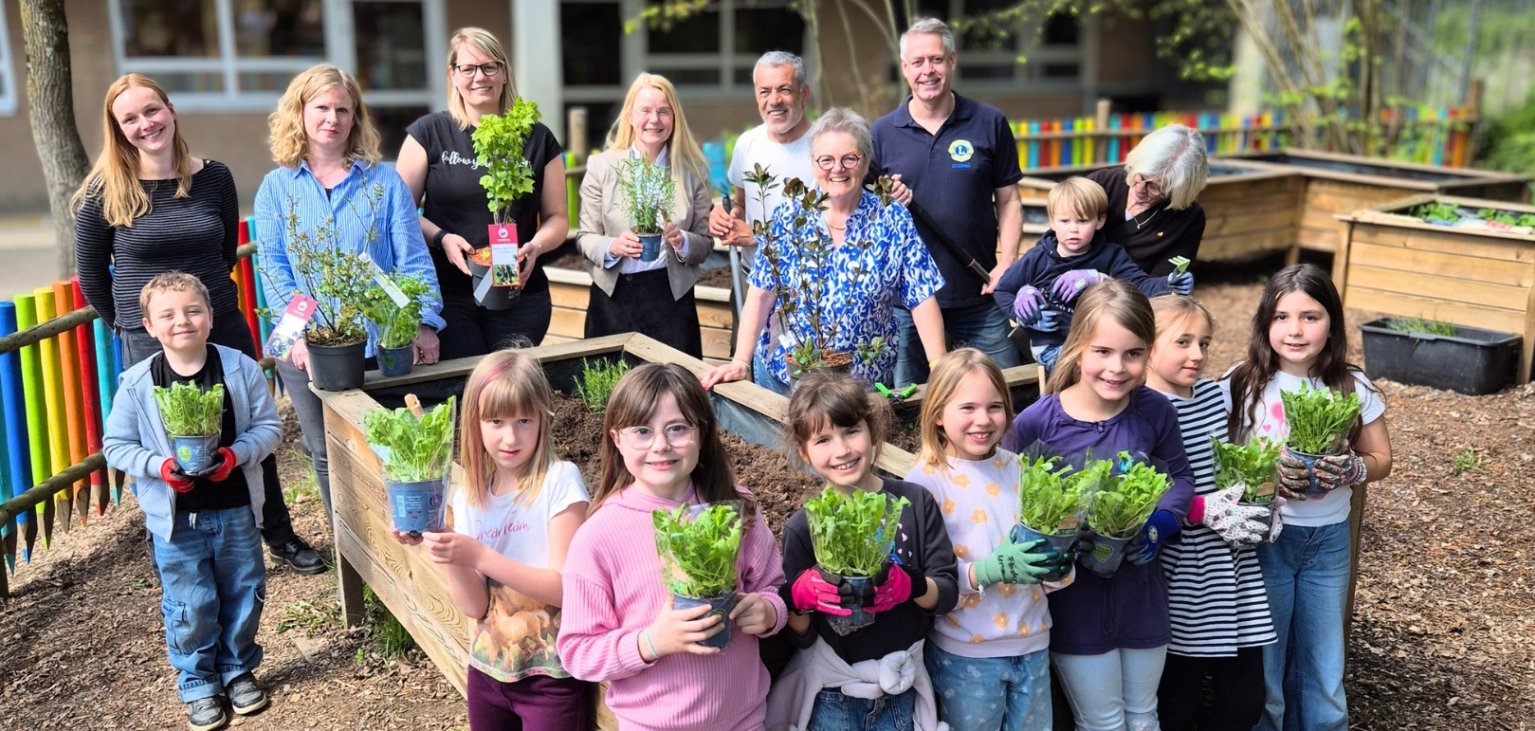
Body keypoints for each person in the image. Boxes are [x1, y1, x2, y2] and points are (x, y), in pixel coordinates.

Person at [73, 73, 323, 574]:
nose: (145, 124)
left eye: (152, 111)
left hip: (221, 325)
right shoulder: (105, 192)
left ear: (170, 110)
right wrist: (133, 324)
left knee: (249, 430)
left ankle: (276, 532)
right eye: (130, 119)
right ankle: (174, 544)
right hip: (151, 339)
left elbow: (224, 252)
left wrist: (203, 314)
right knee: (165, 445)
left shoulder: (214, 177)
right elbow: (91, 273)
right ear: (117, 129)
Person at [254, 64, 445, 520]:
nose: (332, 118)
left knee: (394, 447)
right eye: (321, 107)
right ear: (298, 114)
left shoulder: (383, 183)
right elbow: (275, 270)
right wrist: (295, 337)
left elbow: (413, 260)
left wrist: (423, 322)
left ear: (355, 118)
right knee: (327, 452)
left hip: (382, 340)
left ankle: (404, 541)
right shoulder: (276, 189)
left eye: (343, 109)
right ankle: (352, 549)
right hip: (305, 343)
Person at [1005, 279, 1195, 731]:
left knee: (1144, 715)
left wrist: (1160, 525)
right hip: (1075, 601)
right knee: (1103, 722)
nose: (1117, 367)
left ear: (1148, 353)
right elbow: (1006, 492)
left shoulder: (1155, 411)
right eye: (1103, 352)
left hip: (1141, 592)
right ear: (1078, 349)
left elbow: (1180, 477)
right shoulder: (1038, 421)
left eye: (1133, 354)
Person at [556, 363, 786, 730]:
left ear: (703, 432)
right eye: (642, 431)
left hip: (743, 720)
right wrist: (651, 642)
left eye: (677, 428)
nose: (661, 444)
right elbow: (577, 652)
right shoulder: (599, 535)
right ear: (617, 439)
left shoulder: (736, 507)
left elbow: (773, 587)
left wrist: (770, 612)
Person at [102, 273, 282, 731]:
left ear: (210, 316)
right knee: (189, 601)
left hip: (236, 504)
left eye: (192, 311)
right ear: (148, 325)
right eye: (168, 315)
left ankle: (237, 668)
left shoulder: (239, 368)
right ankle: (198, 683)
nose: (182, 321)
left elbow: (269, 428)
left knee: (245, 588)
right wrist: (159, 467)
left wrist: (235, 455)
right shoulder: (139, 382)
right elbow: (116, 445)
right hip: (176, 519)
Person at [1222, 263, 1392, 731]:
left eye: (1310, 316)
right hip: (1263, 542)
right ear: (1264, 324)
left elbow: (1381, 458)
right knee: (1266, 665)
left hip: (1328, 541)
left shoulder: (1352, 385)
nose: (1295, 330)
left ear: (1332, 323)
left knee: (1325, 663)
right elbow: (1215, 459)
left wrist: (1352, 468)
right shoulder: (1240, 383)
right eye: (1281, 317)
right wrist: (1261, 473)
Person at [392, 349, 589, 729]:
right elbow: (473, 605)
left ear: (543, 421)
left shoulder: (559, 481)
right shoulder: (469, 496)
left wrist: (479, 555)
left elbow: (566, 590)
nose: (510, 436)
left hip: (550, 678)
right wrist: (445, 545)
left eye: (523, 420)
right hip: (486, 672)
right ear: (475, 423)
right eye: (496, 421)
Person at [698, 108, 948, 395]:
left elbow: (922, 297)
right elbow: (761, 292)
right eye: (826, 159)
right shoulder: (789, 216)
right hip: (788, 381)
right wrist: (740, 360)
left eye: (849, 158)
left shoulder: (892, 219)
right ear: (813, 164)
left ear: (865, 163)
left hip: (862, 387)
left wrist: (938, 365)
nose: (837, 168)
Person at [765, 368, 958, 731]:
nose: (842, 450)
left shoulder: (914, 502)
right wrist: (798, 597)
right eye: (822, 440)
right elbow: (801, 635)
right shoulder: (804, 526)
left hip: (901, 685)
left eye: (851, 431)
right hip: (835, 695)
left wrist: (912, 585)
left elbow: (946, 594)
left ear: (872, 431)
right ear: (804, 452)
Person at [903, 348, 1071, 731]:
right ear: (938, 415)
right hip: (965, 653)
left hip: (1032, 642)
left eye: (994, 407)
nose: (983, 420)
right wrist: (986, 570)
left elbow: (1048, 555)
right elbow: (920, 580)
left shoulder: (1020, 468)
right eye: (968, 408)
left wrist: (1058, 564)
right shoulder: (924, 482)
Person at [1144, 295, 1277, 731]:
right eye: (1182, 342)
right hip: (1180, 567)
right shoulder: (1142, 406)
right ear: (1147, 344)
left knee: (1244, 700)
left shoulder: (1209, 394)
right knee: (1176, 698)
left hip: (1231, 561)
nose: (1198, 354)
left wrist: (1257, 502)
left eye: (1204, 342)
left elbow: (1228, 463)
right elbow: (1136, 489)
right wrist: (1198, 509)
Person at [397, 27, 568, 358]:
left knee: (509, 394)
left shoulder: (536, 137)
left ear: (504, 73)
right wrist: (441, 237)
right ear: (453, 74)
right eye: (468, 68)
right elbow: (399, 211)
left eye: (490, 67)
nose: (480, 77)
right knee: (465, 392)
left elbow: (557, 217)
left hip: (519, 294)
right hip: (449, 296)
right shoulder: (428, 134)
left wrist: (535, 246)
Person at [872, 17, 1025, 386]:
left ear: (952, 62)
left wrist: (1006, 262)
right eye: (918, 62)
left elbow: (1009, 201)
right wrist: (887, 202)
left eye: (936, 60)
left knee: (1005, 391)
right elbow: (867, 216)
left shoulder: (989, 122)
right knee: (910, 406)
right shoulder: (880, 133)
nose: (928, 70)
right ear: (905, 69)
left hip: (979, 293)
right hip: (907, 305)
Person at [574, 73, 713, 358]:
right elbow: (585, 238)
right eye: (646, 111)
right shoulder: (602, 167)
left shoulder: (693, 171)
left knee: (674, 394)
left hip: (671, 301)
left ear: (674, 118)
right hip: (613, 301)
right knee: (611, 394)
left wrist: (682, 241)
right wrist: (612, 246)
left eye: (663, 111)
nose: (655, 119)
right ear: (630, 116)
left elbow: (705, 242)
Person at [993, 177, 1190, 374]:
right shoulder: (1037, 258)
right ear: (1051, 221)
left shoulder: (1111, 255)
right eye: (1064, 221)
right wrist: (1024, 316)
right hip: (1054, 347)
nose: (1073, 229)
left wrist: (1170, 283)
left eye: (1083, 220)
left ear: (1099, 221)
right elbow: (1003, 289)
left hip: (1103, 342)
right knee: (1092, 367)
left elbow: (1139, 286)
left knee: (1144, 360)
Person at [708, 51, 816, 269]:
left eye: (784, 90)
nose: (774, 100)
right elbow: (741, 203)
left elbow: (836, 224)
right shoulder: (747, 143)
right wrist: (727, 216)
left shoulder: (827, 148)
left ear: (804, 94)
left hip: (807, 285)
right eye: (764, 91)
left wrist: (759, 235)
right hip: (753, 277)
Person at [1085, 124, 1210, 276]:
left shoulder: (1188, 218)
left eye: (1154, 187)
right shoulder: (1102, 183)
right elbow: (1055, 240)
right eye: (1141, 176)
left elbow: (1164, 284)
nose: (1139, 190)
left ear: (1177, 191)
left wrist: (1100, 280)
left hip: (1131, 296)